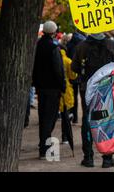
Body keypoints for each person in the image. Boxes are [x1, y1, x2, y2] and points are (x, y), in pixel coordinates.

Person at [72, 33, 114, 168]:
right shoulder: (112, 45)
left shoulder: (81, 46)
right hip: (107, 89)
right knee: (106, 120)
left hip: (87, 88)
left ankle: (88, 157)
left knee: (87, 120)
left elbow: (74, 67)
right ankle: (107, 158)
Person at [32, 21, 66, 160]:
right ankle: (44, 147)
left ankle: (43, 144)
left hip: (41, 86)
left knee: (43, 115)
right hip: (52, 87)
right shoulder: (53, 48)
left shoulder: (37, 46)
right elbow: (58, 69)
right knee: (49, 118)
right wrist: (62, 84)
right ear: (53, 32)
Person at [66, 29, 86, 124]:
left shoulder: (69, 44)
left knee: (72, 95)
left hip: (72, 71)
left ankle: (73, 116)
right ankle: (82, 118)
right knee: (82, 97)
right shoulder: (83, 43)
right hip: (81, 72)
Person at [59, 45, 77, 144]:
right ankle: (65, 137)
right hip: (66, 90)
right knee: (65, 115)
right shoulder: (68, 61)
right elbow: (73, 76)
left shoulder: (51, 58)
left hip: (52, 90)